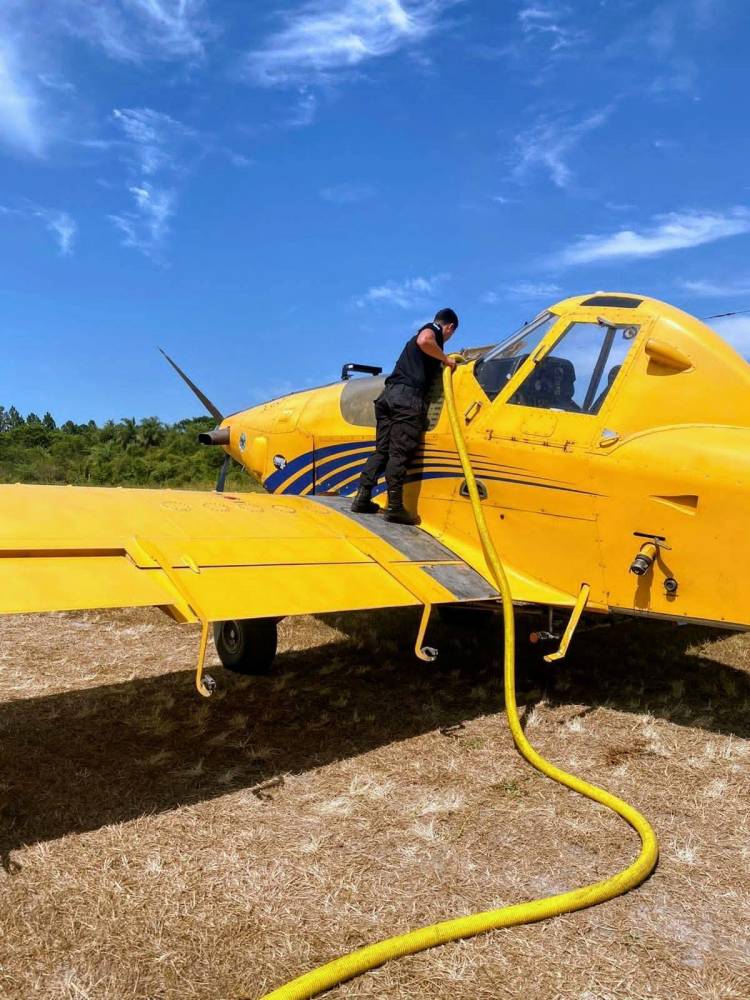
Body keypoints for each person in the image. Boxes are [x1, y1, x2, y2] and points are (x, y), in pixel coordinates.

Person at [351, 307, 459, 524]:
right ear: (450, 327)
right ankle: (395, 507)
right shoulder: (433, 331)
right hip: (407, 400)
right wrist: (446, 360)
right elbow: (425, 340)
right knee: (399, 454)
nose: (447, 338)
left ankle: (362, 497)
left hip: (388, 397)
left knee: (382, 450)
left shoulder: (414, 346)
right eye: (451, 334)